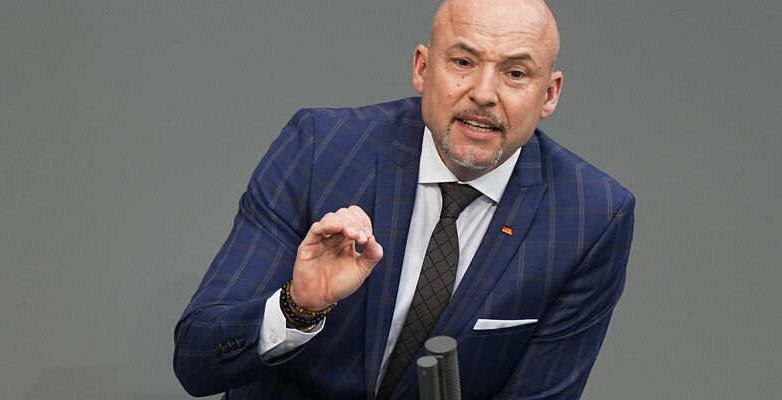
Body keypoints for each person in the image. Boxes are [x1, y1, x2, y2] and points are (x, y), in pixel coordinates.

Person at [173, 0, 635, 398]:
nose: (484, 93)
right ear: (422, 67)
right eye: (462, 62)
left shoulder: (590, 216)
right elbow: (197, 357)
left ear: (549, 94)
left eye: (515, 73)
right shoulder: (321, 150)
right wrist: (299, 306)